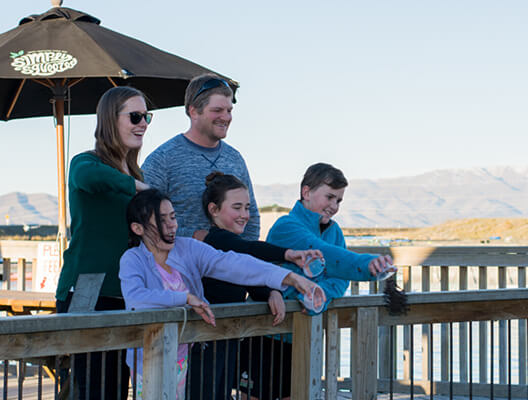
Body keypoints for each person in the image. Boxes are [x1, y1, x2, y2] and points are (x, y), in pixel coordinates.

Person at [119, 189, 324, 399]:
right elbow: (136, 298)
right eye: (162, 220)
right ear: (138, 228)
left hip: (186, 357)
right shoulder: (132, 259)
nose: (172, 225)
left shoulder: (188, 248)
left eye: (173, 217)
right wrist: (185, 298)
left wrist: (290, 277)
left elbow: (233, 262)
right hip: (148, 360)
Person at [54, 86, 152, 399]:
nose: (143, 124)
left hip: (126, 289)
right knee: (88, 387)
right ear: (110, 119)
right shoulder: (85, 163)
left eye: (146, 117)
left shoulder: (136, 172)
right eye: (135, 116)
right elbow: (89, 178)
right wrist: (135, 185)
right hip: (87, 288)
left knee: (115, 387)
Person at [201, 171, 323, 400]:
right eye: (236, 208)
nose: (244, 215)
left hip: (227, 338)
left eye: (247, 208)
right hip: (204, 340)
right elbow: (250, 251)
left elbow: (248, 275)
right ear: (214, 209)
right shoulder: (216, 241)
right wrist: (289, 254)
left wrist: (270, 292)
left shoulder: (233, 245)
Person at [142, 74, 260, 241]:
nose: (226, 117)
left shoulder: (235, 159)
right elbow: (145, 219)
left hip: (230, 264)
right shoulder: (162, 160)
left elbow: (252, 218)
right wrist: (195, 236)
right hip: (179, 265)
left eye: (229, 111)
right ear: (193, 111)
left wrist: (246, 258)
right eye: (217, 110)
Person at [267, 162, 393, 311]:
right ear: (306, 193)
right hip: (271, 327)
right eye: (329, 197)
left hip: (313, 330)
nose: (334, 206)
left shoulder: (334, 231)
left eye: (338, 201)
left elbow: (342, 278)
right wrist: (367, 264)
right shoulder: (286, 226)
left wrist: (317, 295)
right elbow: (324, 254)